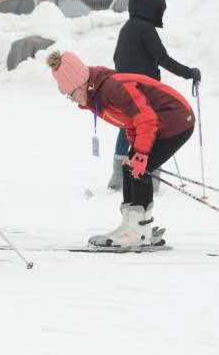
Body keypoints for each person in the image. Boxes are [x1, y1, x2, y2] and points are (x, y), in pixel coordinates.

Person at [47, 50, 195, 248]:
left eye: (71, 94)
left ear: (80, 84)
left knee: (138, 169)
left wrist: (141, 155)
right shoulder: (95, 96)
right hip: (160, 122)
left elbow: (146, 118)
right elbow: (130, 122)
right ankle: (133, 228)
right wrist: (136, 151)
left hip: (175, 120)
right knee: (130, 166)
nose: (72, 100)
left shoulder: (112, 89)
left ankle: (137, 232)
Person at [108, 0, 200, 190]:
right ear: (149, 8)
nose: (161, 13)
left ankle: (118, 179)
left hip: (123, 89)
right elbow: (163, 59)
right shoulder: (145, 29)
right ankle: (148, 175)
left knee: (127, 127)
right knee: (151, 129)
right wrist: (189, 72)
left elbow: (117, 57)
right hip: (143, 92)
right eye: (160, 9)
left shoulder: (128, 27)